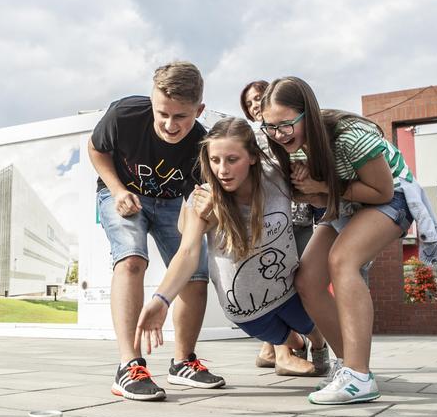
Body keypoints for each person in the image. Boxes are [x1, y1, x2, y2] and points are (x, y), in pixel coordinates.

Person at [260, 77, 437, 405]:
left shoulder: (350, 138)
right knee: (307, 279)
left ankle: (358, 376)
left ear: (308, 115)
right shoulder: (287, 146)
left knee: (343, 260)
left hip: (392, 197)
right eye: (270, 127)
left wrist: (320, 185)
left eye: (286, 125)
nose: (279, 135)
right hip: (346, 204)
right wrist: (309, 190)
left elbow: (381, 192)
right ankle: (351, 367)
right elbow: (322, 203)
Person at [136, 118, 321, 377]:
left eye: (232, 159)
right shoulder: (202, 199)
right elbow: (188, 253)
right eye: (215, 160)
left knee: (311, 324)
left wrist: (306, 175)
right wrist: (161, 300)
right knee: (292, 339)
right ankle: (298, 346)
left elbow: (318, 186)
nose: (222, 170)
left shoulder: (278, 177)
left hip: (289, 291)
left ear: (253, 157)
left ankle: (320, 346)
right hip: (246, 311)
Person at [89, 61, 225, 401]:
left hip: (170, 204)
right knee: (132, 259)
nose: (169, 124)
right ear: (152, 101)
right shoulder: (124, 114)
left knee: (195, 275)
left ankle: (183, 362)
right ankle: (129, 365)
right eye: (162, 113)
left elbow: (197, 204)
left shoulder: (201, 144)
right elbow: (97, 150)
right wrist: (118, 189)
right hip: (121, 194)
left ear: (199, 109)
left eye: (181, 116)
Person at [239, 81, 329, 375]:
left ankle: (283, 348)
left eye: (259, 99)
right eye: (249, 101)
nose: (254, 104)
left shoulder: (287, 132)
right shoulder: (251, 137)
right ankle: (279, 350)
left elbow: (305, 167)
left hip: (298, 217)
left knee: (294, 285)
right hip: (268, 222)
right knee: (273, 284)